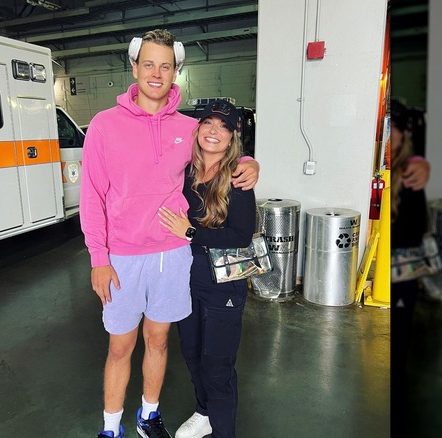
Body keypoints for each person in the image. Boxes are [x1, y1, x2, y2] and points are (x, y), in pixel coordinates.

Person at [80, 29, 260, 438]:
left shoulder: (187, 127)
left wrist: (250, 161)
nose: (156, 73)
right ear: (134, 67)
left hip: (174, 255)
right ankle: (110, 428)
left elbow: (221, 148)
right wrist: (98, 258)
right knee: (120, 347)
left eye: (165, 65)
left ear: (176, 72)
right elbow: (91, 195)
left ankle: (148, 417)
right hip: (122, 256)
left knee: (159, 342)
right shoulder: (104, 126)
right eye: (149, 64)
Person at [158, 100, 255, 438]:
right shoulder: (184, 172)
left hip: (224, 286)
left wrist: (190, 232)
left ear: (232, 137)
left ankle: (223, 431)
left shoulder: (238, 178)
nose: (214, 131)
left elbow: (241, 236)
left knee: (218, 367)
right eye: (208, 123)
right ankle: (204, 411)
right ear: (196, 129)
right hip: (186, 281)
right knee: (193, 355)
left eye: (224, 126)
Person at [389, 98, 430, 438]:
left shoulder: (411, 175)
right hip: (394, 268)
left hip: (401, 272)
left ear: (404, 137)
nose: (392, 137)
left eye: (397, 131)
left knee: (399, 346)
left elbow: (416, 229)